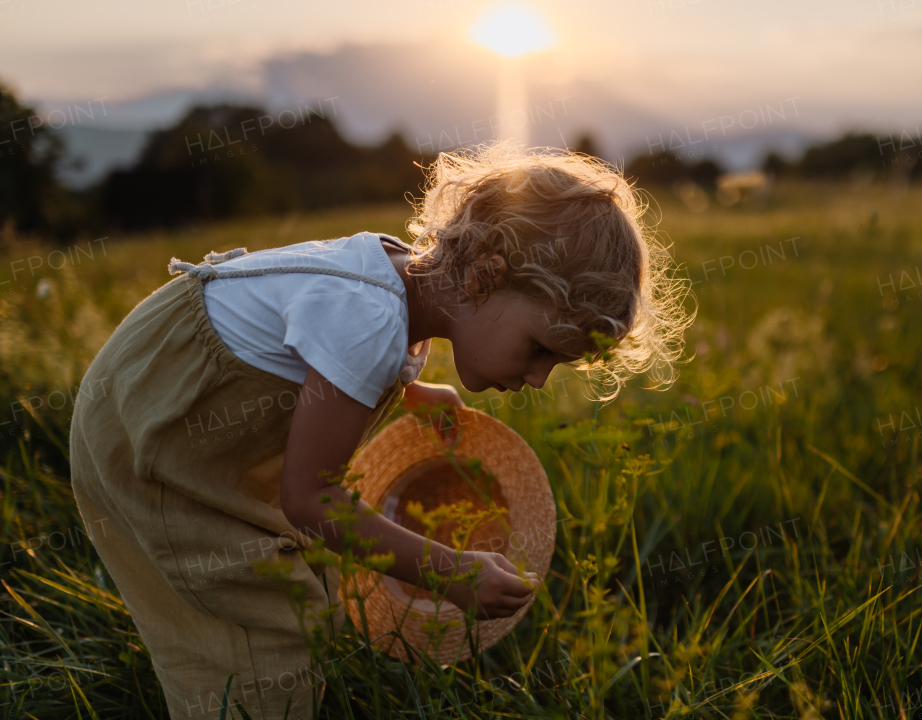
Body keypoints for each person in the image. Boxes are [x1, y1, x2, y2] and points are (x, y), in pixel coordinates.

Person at [68, 142, 690, 719]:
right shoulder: (368, 320)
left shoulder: (393, 280)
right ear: (486, 275)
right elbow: (311, 501)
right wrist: (454, 572)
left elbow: (309, 351)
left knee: (309, 580)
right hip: (153, 444)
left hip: (162, 414)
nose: (535, 379)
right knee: (266, 626)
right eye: (537, 349)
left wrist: (413, 390)